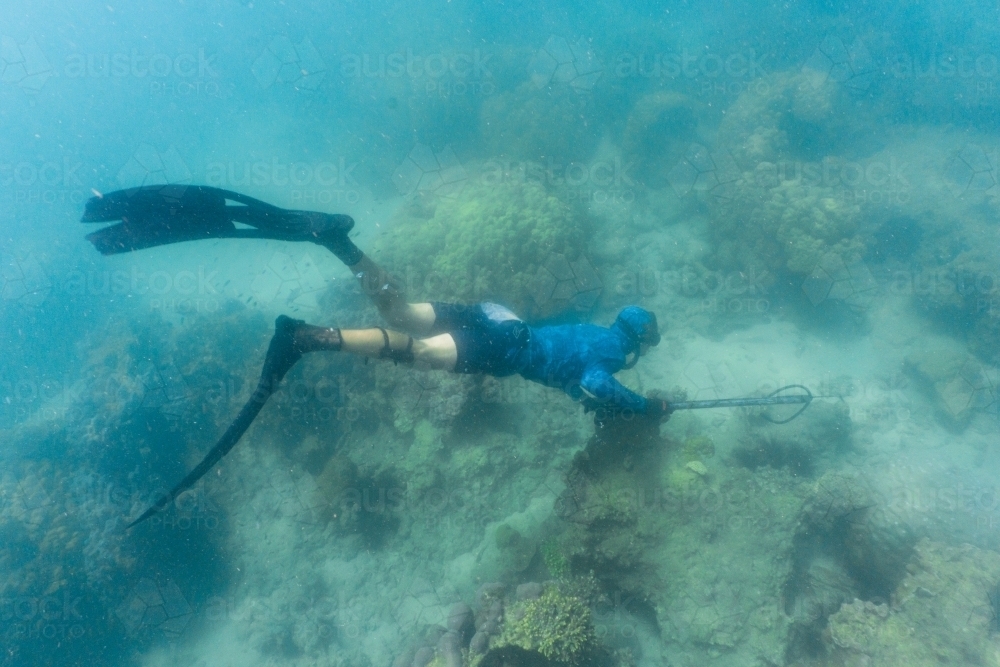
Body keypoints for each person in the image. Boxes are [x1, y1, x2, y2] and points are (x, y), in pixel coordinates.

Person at [80, 185, 669, 526]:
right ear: (639, 344)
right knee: (415, 351)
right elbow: (599, 382)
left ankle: (336, 239)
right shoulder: (613, 356)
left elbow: (572, 362)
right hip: (500, 347)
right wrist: (644, 408)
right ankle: (307, 338)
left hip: (495, 317)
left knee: (405, 312)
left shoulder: (601, 328)